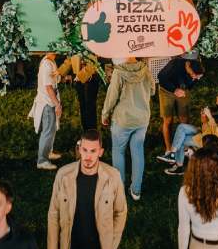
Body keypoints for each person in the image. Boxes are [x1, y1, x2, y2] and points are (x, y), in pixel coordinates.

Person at [45, 129, 128, 249]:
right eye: (85, 150)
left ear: (100, 152)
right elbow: (53, 214)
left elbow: (121, 212)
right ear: (79, 149)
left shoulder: (113, 176)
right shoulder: (63, 175)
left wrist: (111, 246)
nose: (88, 156)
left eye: (93, 151)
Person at [101, 56, 153, 201]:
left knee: (118, 152)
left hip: (123, 119)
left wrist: (105, 113)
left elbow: (111, 97)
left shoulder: (119, 72)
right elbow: (153, 90)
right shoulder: (146, 70)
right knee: (138, 152)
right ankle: (136, 190)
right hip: (142, 118)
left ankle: (119, 188)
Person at [164, 89, 218, 175]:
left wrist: (210, 116)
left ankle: (178, 166)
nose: (217, 97)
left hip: (209, 141)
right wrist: (204, 119)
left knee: (181, 140)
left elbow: (216, 134)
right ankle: (172, 154)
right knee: (181, 127)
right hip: (206, 133)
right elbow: (206, 127)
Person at [156, 54, 205, 155]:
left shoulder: (197, 71)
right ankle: (169, 149)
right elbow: (161, 77)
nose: (194, 77)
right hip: (166, 90)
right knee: (168, 120)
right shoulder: (175, 64)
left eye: (196, 76)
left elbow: (190, 86)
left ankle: (185, 147)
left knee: (184, 119)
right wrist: (174, 90)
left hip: (182, 91)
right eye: (192, 74)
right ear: (188, 65)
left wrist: (193, 79)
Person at [31, 52, 62, 170]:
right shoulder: (46, 65)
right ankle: (42, 160)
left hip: (51, 100)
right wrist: (57, 104)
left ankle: (48, 151)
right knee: (48, 130)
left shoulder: (51, 61)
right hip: (47, 102)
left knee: (52, 128)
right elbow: (48, 87)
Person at [56, 53, 102, 133]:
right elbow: (69, 60)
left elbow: (94, 62)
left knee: (90, 108)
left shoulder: (90, 42)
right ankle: (86, 134)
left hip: (90, 78)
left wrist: (81, 75)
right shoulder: (74, 43)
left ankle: (92, 135)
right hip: (78, 79)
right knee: (83, 107)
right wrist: (59, 73)